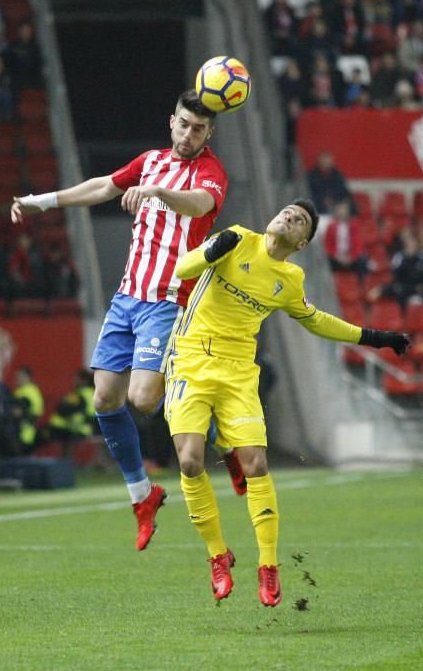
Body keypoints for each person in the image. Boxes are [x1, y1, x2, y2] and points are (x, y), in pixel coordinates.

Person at [10, 89, 244, 550]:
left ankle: (225, 441)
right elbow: (102, 186)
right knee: (104, 398)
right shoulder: (150, 159)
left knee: (143, 396)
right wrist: (41, 201)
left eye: (198, 129)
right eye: (183, 124)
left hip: (170, 300)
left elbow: (198, 204)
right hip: (127, 298)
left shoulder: (211, 173)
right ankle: (143, 494)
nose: (188, 134)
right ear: (170, 121)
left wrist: (157, 192)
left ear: (209, 133)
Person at [164, 198, 409, 606]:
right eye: (287, 212)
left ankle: (268, 566)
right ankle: (218, 555)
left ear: (301, 243)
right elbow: (182, 270)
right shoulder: (237, 239)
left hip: (239, 371)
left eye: (301, 222)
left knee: (256, 462)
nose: (290, 217)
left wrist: (375, 338)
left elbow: (317, 321)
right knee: (189, 460)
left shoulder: (289, 280)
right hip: (191, 359)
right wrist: (212, 249)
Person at [12, 366, 44, 452]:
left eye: (19, 376)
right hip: (27, 433)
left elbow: (17, 412)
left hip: (22, 433)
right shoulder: (30, 390)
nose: (17, 378)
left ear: (27, 377)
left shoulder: (26, 392)